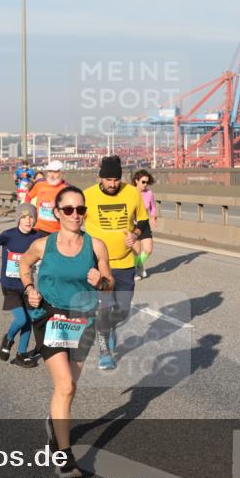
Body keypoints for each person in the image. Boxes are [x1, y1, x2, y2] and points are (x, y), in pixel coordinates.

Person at [19, 186, 114, 478]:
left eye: (80, 209)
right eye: (69, 209)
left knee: (69, 385)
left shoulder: (96, 246)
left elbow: (109, 283)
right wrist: (29, 288)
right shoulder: (43, 245)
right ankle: (65, 456)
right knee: (66, 386)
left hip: (82, 320)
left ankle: (53, 423)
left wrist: (100, 282)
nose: (76, 215)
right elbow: (24, 263)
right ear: (57, 212)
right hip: (50, 317)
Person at [83, 155, 151, 371]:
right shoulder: (88, 196)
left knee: (122, 309)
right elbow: (73, 222)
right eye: (108, 180)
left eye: (116, 180)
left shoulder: (132, 193)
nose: (112, 184)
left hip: (125, 262)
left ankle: (110, 327)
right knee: (104, 309)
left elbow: (143, 220)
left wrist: (135, 234)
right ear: (100, 178)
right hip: (99, 262)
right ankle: (104, 353)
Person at [0, 204, 45, 368]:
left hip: (28, 287)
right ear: (18, 219)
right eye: (24, 217)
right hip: (10, 286)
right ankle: (8, 339)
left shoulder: (38, 237)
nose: (28, 220)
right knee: (21, 319)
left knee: (29, 320)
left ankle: (21, 355)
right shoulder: (9, 235)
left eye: (31, 217)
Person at [27, 160, 68, 236]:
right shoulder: (39, 184)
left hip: (58, 230)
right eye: (50, 172)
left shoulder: (67, 188)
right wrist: (28, 213)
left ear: (62, 173)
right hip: (39, 228)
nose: (52, 176)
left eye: (55, 172)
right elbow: (28, 196)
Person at [131, 169, 157, 279]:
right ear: (136, 181)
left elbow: (152, 207)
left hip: (144, 223)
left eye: (147, 182)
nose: (145, 184)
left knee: (148, 249)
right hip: (133, 225)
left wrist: (153, 217)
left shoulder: (149, 193)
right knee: (136, 251)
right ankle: (136, 271)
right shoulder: (130, 192)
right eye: (143, 182)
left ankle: (138, 265)